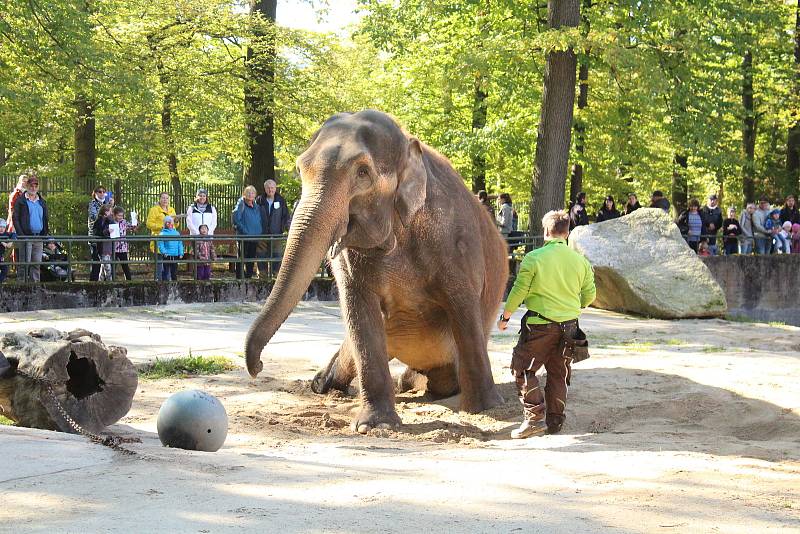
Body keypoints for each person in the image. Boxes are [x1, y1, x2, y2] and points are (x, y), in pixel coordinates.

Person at [498, 209, 596, 438]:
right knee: (558, 373)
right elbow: (590, 294)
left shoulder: (534, 258)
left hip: (539, 326)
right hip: (570, 326)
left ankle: (534, 420)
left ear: (545, 232)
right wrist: (573, 306)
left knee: (522, 368)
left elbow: (519, 290)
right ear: (567, 232)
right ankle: (555, 422)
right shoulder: (581, 261)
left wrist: (505, 317)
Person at [12, 174, 48, 282]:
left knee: (36, 264)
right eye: (31, 186)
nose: (33, 188)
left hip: (39, 237)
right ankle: (21, 286)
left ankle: (34, 288)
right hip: (26, 237)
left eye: (36, 186)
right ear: (27, 186)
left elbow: (45, 219)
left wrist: (45, 233)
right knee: (24, 264)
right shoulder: (21, 201)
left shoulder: (42, 201)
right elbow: (15, 218)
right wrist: (21, 235)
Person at [256, 179, 291, 277]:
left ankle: (276, 275)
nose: (270, 190)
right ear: (265, 188)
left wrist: (287, 229)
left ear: (275, 188)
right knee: (261, 255)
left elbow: (286, 216)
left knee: (277, 255)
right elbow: (255, 216)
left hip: (276, 234)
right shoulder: (259, 200)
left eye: (272, 188)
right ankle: (262, 276)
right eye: (268, 188)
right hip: (262, 234)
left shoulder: (281, 200)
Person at [146, 192, 179, 280]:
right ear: (159, 199)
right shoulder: (154, 210)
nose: (165, 200)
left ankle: (167, 284)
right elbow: (149, 224)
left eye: (167, 198)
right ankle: (158, 283)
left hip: (170, 242)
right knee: (160, 264)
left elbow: (175, 226)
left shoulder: (172, 210)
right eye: (163, 198)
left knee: (168, 265)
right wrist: (161, 227)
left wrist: (176, 221)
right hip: (159, 239)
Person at [233, 185, 263, 279]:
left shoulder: (256, 207)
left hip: (254, 237)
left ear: (255, 195)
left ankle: (249, 277)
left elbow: (259, 220)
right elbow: (236, 220)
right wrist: (245, 231)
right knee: (241, 258)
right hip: (244, 237)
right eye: (248, 193)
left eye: (252, 193)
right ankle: (239, 278)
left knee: (251, 259)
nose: (250, 194)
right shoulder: (241, 205)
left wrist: (259, 231)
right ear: (244, 194)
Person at [111, 206, 137, 281]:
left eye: (121, 215)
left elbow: (132, 227)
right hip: (113, 247)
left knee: (125, 265)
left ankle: (129, 281)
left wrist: (135, 222)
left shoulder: (124, 222)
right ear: (114, 215)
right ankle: (110, 281)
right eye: (119, 215)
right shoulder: (111, 221)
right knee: (112, 266)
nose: (120, 217)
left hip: (123, 248)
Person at [157, 216, 183, 281]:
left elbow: (180, 243)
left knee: (174, 272)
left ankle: (174, 285)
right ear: (165, 224)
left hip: (175, 255)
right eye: (167, 223)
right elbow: (161, 244)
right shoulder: (162, 233)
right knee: (165, 271)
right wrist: (164, 252)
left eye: (171, 222)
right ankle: (164, 285)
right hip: (167, 255)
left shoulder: (176, 233)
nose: (169, 224)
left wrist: (181, 252)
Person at [0, 218, 16, 283]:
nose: (1, 229)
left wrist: (11, 241)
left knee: (5, 270)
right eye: (0, 227)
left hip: (1, 256)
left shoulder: (5, 234)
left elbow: (13, 234)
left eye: (3, 227)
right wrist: (2, 242)